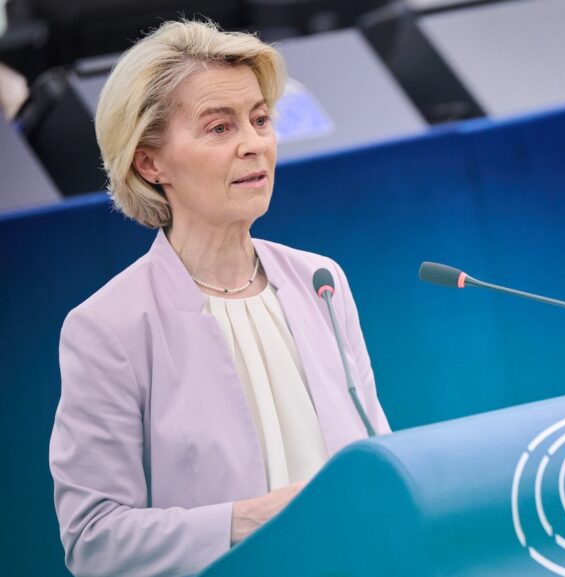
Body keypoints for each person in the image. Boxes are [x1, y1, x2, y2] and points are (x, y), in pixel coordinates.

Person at [48, 20, 390, 577]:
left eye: (260, 120)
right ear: (149, 162)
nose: (254, 143)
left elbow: (376, 451)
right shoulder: (109, 327)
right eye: (219, 127)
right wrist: (248, 520)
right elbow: (94, 540)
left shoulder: (320, 281)